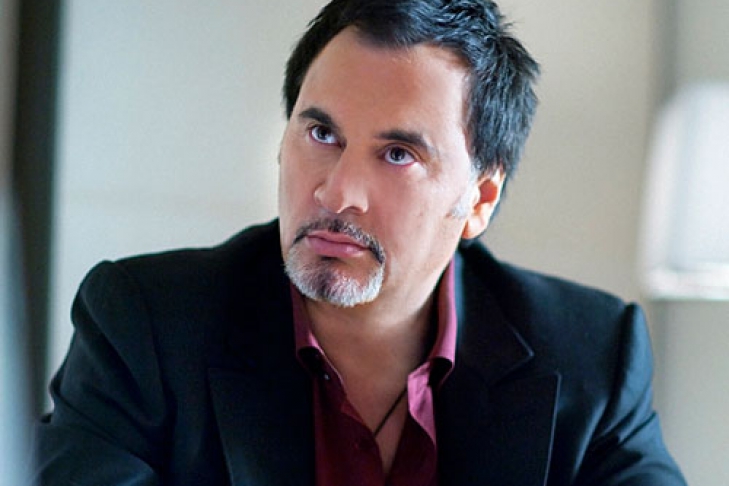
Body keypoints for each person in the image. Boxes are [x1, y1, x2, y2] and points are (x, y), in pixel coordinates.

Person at [32, 0, 686, 484]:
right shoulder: (146, 325)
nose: (337, 192)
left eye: (398, 154)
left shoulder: (591, 356)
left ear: (480, 200)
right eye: (322, 135)